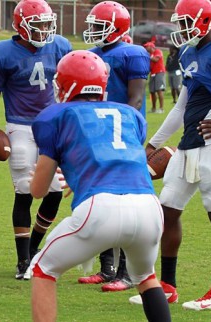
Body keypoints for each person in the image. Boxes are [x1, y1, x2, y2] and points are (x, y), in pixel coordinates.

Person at [129, 0, 211, 310]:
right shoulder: (189, 51)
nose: (181, 27)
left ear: (206, 20)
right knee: (168, 211)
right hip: (189, 144)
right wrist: (153, 144)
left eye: (187, 20)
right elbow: (181, 107)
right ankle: (168, 285)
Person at [29, 50, 171, 322]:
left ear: (67, 84)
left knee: (42, 269)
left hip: (102, 208)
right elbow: (113, 153)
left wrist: (39, 178)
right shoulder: (130, 114)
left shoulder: (55, 116)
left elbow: (38, 190)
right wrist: (77, 172)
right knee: (146, 277)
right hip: (149, 208)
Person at [0, 0, 72, 280]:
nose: (44, 30)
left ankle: (33, 249)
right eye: (38, 24)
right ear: (20, 26)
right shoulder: (1, 53)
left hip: (53, 126)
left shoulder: (61, 46)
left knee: (54, 193)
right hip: (20, 127)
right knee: (24, 191)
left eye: (47, 23)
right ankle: (22, 261)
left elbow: (70, 90)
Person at [79, 0, 151, 292]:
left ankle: (126, 271)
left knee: (121, 202)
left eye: (100, 26)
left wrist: (117, 131)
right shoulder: (90, 55)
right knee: (100, 200)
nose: (94, 31)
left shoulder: (133, 53)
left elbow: (134, 98)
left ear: (117, 28)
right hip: (98, 133)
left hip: (123, 134)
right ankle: (107, 267)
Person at [143, 41, 166, 114]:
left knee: (159, 90)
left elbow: (156, 59)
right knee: (152, 91)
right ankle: (153, 108)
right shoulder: (149, 54)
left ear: (151, 47)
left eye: (147, 46)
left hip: (159, 72)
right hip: (152, 73)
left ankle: (161, 108)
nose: (145, 48)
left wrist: (148, 55)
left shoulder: (157, 51)